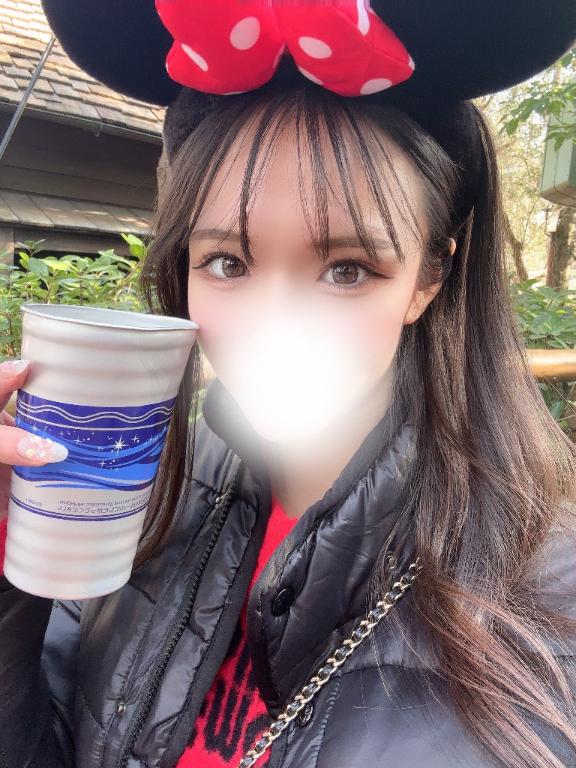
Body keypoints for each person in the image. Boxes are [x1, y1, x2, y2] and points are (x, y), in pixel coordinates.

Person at [1, 1, 576, 767]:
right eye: (227, 263)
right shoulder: (148, 496)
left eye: (348, 270)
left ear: (427, 278)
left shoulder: (548, 609)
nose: (274, 324)